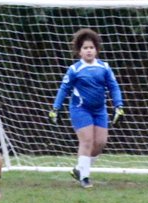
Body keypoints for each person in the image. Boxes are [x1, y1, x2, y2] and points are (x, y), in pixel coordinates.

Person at [48, 27, 124, 188]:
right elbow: (64, 89)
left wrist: (119, 106)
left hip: (100, 110)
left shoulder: (104, 67)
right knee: (87, 141)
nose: (89, 51)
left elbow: (114, 87)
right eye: (85, 48)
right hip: (80, 109)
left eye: (91, 47)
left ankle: (79, 169)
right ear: (79, 51)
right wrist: (56, 108)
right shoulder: (74, 69)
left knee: (100, 143)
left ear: (96, 50)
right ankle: (85, 177)